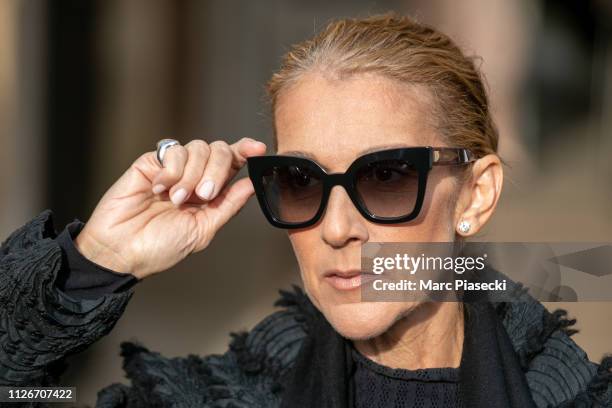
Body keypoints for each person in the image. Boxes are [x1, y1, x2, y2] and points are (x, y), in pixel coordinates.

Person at [1, 13, 610, 408]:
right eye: (299, 182)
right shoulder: (230, 396)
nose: (337, 228)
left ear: (475, 194)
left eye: (388, 177)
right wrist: (95, 264)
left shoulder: (572, 396)